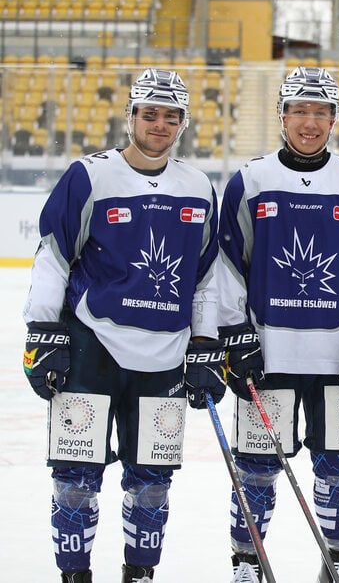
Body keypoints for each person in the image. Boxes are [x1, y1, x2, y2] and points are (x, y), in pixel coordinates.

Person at [22, 68, 224, 583]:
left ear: (183, 124)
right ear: (131, 115)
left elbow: (205, 276)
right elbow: (53, 256)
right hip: (93, 346)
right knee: (75, 479)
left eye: (171, 116)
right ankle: (75, 574)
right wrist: (43, 332)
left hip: (166, 355)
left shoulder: (197, 186)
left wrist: (204, 342)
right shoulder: (89, 175)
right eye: (150, 113)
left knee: (152, 481)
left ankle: (140, 574)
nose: (160, 124)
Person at [216, 67, 339, 583]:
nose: (310, 122)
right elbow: (228, 265)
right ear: (282, 116)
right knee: (255, 467)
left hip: (337, 355)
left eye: (320, 111)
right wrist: (235, 332)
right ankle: (247, 562)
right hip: (269, 352)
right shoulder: (250, 181)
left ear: (334, 118)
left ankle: (338, 561)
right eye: (299, 111)